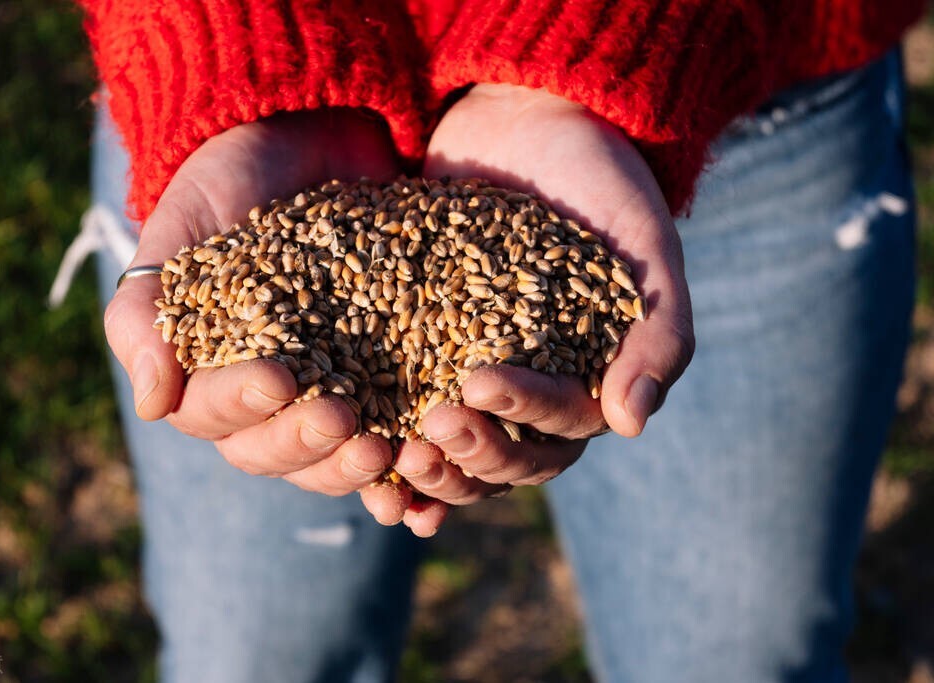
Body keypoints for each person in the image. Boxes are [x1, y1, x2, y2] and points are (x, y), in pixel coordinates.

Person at [72, 1, 924, 680]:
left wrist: (611, 28)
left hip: (734, 68)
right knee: (254, 656)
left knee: (729, 657)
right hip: (224, 86)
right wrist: (229, 34)